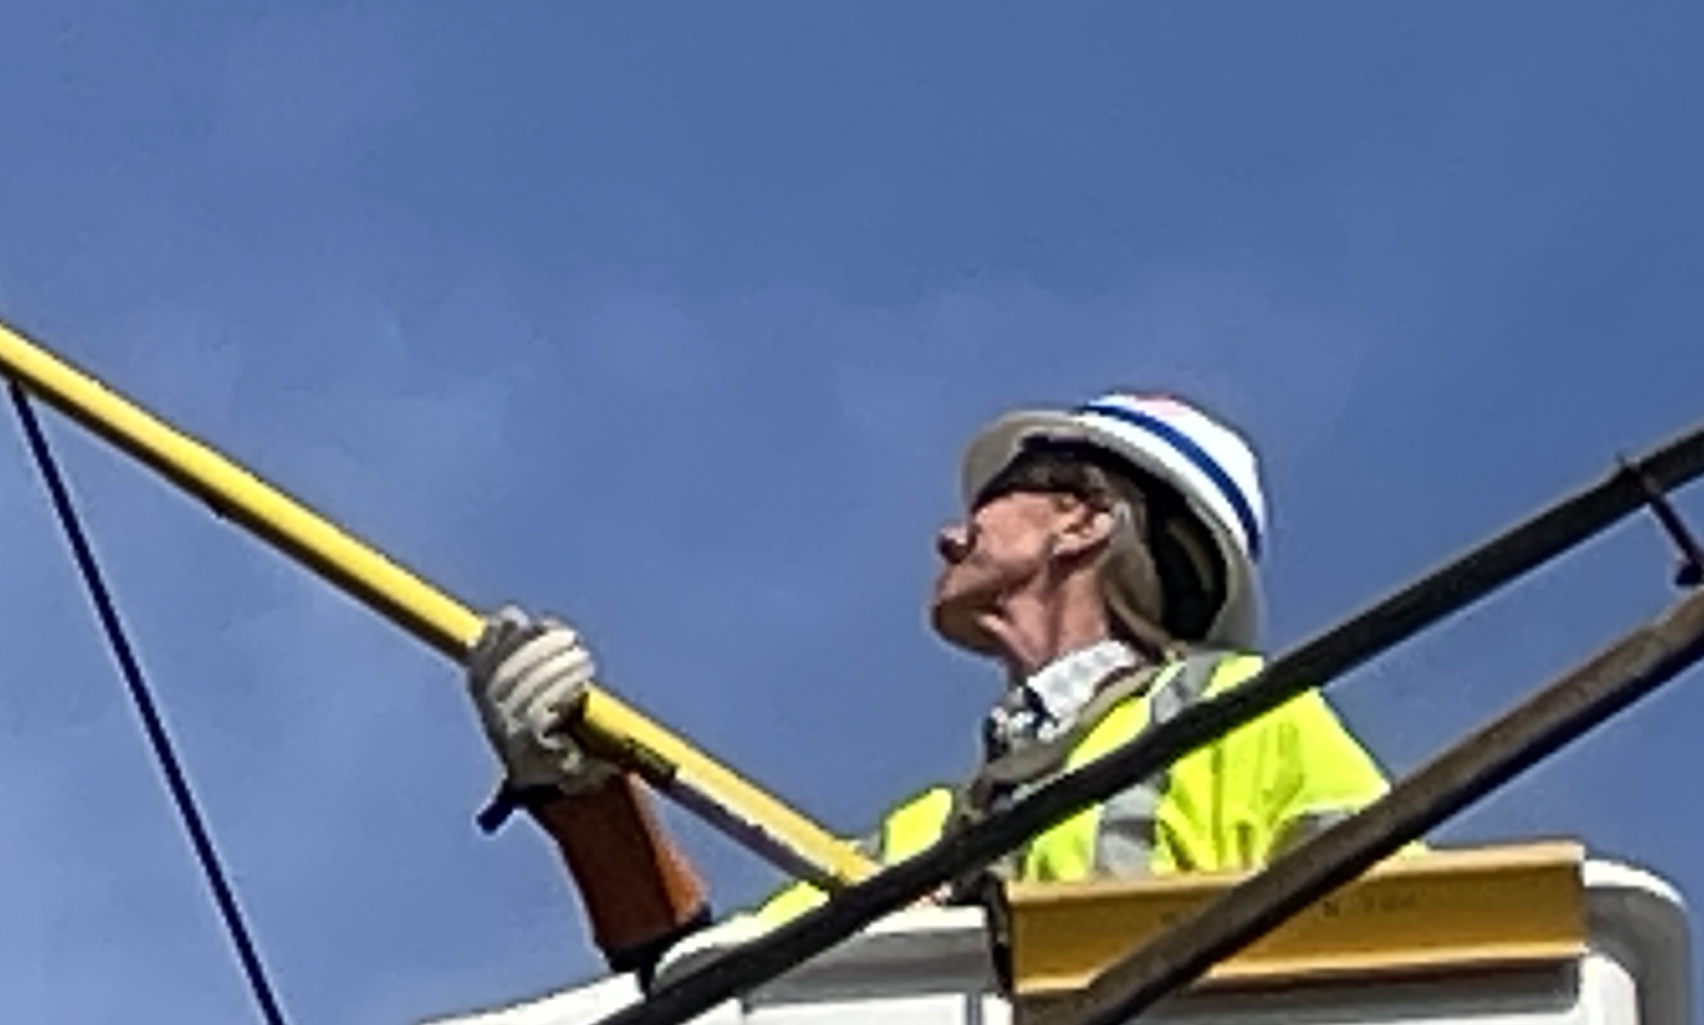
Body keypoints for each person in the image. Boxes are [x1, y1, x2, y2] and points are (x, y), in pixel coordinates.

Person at [466, 393, 1385, 976]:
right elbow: (697, 981)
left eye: (993, 503)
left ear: (1080, 521)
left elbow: (1410, 942)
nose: (950, 538)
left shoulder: (1243, 718)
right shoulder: (931, 835)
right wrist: (587, 797)